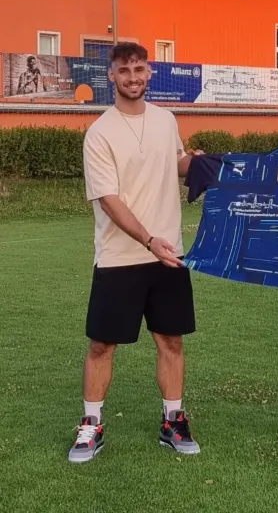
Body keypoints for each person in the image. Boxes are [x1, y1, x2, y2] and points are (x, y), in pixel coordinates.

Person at [68, 42, 199, 463]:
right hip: (120, 257)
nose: (133, 77)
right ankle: (91, 426)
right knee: (102, 346)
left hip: (168, 255)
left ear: (149, 72)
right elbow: (109, 199)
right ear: (111, 76)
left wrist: (214, 166)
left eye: (139, 69)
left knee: (171, 341)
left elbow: (176, 164)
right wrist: (148, 240)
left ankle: (173, 421)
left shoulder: (166, 119)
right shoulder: (100, 133)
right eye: (124, 71)